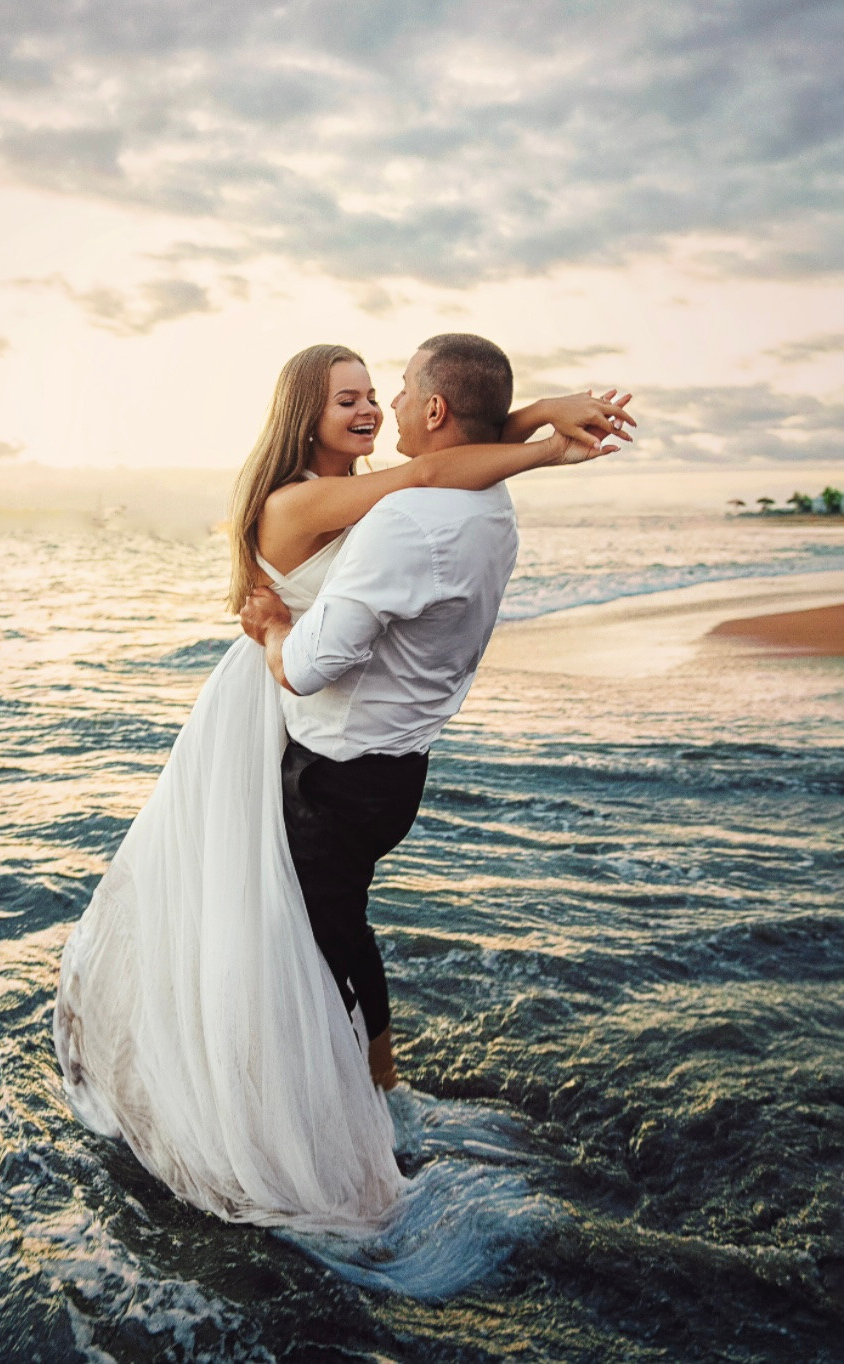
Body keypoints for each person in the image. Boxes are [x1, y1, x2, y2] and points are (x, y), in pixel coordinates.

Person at [54, 339, 631, 1232]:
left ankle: (352, 1101)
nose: (369, 410)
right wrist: (544, 442)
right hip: (276, 715)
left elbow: (442, 461)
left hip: (313, 732)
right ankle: (323, 1099)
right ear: (304, 419)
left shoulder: (393, 492)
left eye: (378, 394)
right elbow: (438, 468)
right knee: (294, 929)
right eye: (346, 401)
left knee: (314, 930)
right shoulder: (305, 500)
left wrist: (540, 419)